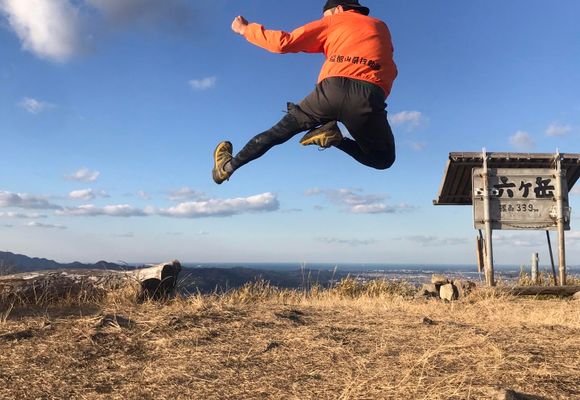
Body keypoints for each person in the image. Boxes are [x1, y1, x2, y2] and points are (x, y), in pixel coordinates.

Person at [212, 0, 398, 184]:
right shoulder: (381, 26)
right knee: (382, 159)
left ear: (338, 9)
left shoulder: (335, 20)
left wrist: (246, 29)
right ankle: (336, 140)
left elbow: (284, 43)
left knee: (277, 133)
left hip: (330, 92)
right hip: (368, 97)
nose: (324, 19)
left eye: (325, 16)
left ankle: (225, 168)